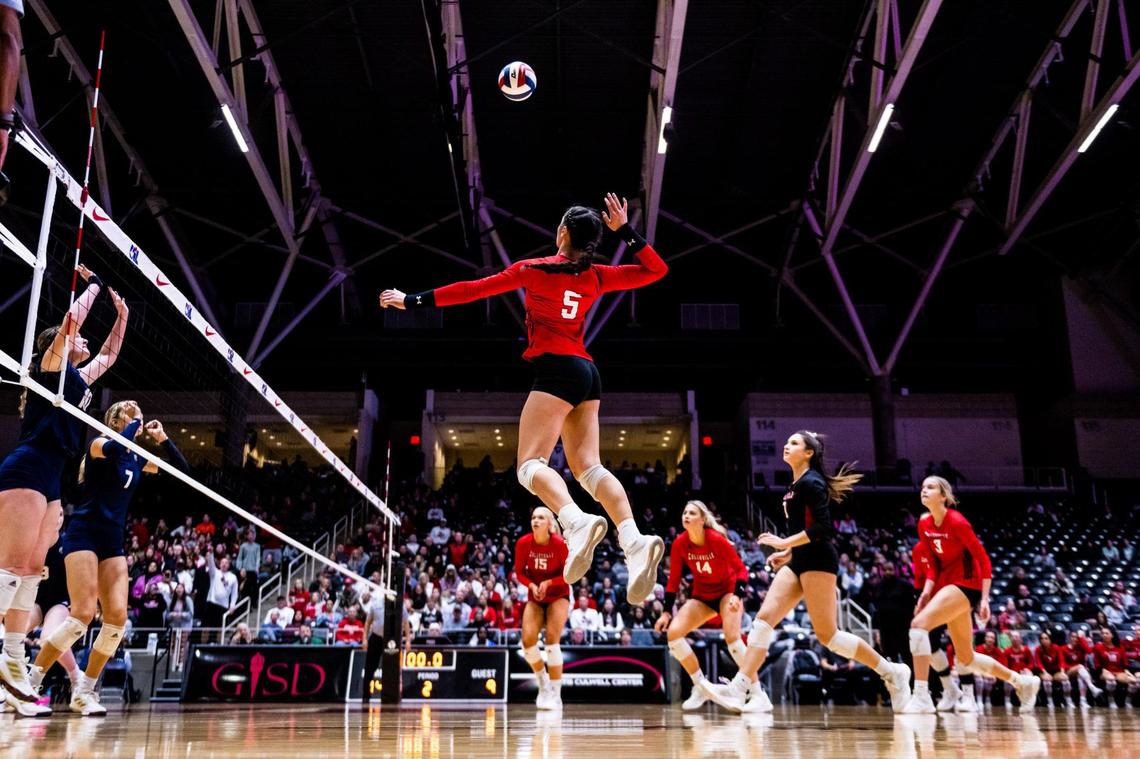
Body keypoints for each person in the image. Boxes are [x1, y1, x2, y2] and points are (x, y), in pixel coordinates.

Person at [381, 194, 668, 604]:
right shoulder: (596, 276)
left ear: (562, 232)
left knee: (529, 465)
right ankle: (633, 540)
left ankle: (574, 521)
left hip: (557, 369)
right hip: (588, 373)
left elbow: (473, 290)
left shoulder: (535, 269)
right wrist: (626, 231)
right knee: (589, 468)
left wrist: (412, 300)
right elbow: (657, 270)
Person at [704, 432, 911, 714]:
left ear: (808, 453)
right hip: (799, 560)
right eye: (787, 442)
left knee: (829, 637)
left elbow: (823, 528)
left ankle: (892, 672)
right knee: (763, 622)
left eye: (793, 443)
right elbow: (803, 528)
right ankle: (743, 690)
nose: (786, 446)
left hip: (819, 560)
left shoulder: (812, 482)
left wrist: (784, 543)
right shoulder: (795, 484)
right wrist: (788, 552)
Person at [0, 266, 126, 704]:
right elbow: (71, 323)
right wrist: (93, 286)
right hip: (28, 468)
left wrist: (122, 316)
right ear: (61, 342)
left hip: (53, 476)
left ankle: (13, 657)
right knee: (13, 565)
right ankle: (6, 653)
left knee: (32, 569)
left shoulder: (76, 380)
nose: (84, 340)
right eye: (78, 338)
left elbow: (109, 356)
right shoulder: (49, 367)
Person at [30, 400, 187, 715]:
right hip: (84, 534)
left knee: (116, 620)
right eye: (131, 411)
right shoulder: (100, 444)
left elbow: (181, 471)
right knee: (82, 615)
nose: (138, 414)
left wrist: (163, 439)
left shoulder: (137, 458)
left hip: (112, 541)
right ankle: (31, 682)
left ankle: (84, 691)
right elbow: (116, 447)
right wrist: (135, 423)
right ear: (117, 419)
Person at [905, 476, 1039, 714]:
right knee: (966, 657)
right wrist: (925, 593)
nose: (924, 490)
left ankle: (921, 695)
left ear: (943, 496)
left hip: (967, 585)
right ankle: (1022, 682)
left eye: (931, 487)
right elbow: (933, 566)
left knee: (918, 626)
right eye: (923, 487)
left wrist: (984, 600)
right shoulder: (924, 525)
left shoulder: (957, 522)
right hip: (947, 586)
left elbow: (984, 560)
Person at [654, 500, 748, 710]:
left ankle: (756, 690)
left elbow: (741, 570)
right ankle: (700, 686)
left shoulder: (716, 539)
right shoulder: (679, 543)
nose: (686, 516)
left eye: (692, 513)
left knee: (732, 638)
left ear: (702, 519)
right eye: (684, 512)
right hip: (702, 596)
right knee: (673, 635)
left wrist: (737, 595)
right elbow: (673, 581)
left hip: (727, 591)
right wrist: (666, 612)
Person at [515, 507, 570, 710]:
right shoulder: (523, 543)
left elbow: (568, 575)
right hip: (536, 595)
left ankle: (556, 694)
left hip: (558, 594)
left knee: (551, 642)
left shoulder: (560, 544)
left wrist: (548, 582)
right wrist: (532, 585)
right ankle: (543, 682)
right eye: (533, 517)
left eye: (540, 517)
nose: (535, 520)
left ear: (549, 523)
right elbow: (519, 573)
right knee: (527, 642)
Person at [910, 538, 961, 711]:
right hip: (929, 599)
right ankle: (949, 688)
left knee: (962, 648)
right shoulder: (918, 548)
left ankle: (958, 691)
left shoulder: (947, 545)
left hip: (950, 596)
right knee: (930, 645)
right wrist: (918, 601)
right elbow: (919, 577)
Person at [1094, 627, 1136, 708]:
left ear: (1112, 635)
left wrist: (1127, 671)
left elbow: (1125, 662)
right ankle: (1111, 699)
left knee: (1133, 681)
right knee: (1111, 680)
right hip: (1104, 671)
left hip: (1119, 671)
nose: (1104, 635)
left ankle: (1128, 700)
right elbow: (1097, 663)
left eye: (1107, 633)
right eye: (1102, 633)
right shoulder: (1098, 647)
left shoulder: (1120, 646)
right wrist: (1103, 670)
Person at [1062, 629, 1101, 707]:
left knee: (1081, 676)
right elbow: (1063, 663)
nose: (1074, 639)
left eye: (1076, 637)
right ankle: (1091, 686)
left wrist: (1081, 638)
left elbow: (1089, 651)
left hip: (1081, 671)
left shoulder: (1081, 647)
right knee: (1080, 667)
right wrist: (1074, 667)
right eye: (1073, 637)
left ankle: (1083, 701)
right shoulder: (1064, 648)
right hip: (1068, 671)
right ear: (1069, 638)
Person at [1001, 631, 1036, 707]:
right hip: (1012, 673)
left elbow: (1031, 663)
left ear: (1020, 639)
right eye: (1013, 637)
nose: (1014, 639)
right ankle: (1007, 700)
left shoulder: (1026, 650)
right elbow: (1005, 665)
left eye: (1016, 637)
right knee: (1007, 679)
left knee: (1029, 677)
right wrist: (1011, 672)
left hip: (1024, 672)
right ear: (1010, 639)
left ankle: (1027, 700)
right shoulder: (1007, 651)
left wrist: (1027, 669)